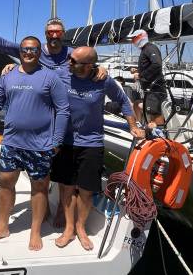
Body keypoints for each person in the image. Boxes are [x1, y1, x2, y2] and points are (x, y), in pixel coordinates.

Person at [0, 36, 69, 251]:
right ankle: (2, 227)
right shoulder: (8, 75)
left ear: (39, 52)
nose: (28, 52)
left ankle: (35, 231)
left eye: (33, 49)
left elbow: (63, 110)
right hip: (12, 142)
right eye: (25, 49)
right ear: (20, 51)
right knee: (6, 183)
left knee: (39, 188)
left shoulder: (51, 77)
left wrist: (57, 140)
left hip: (41, 145)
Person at [52, 46, 143, 250]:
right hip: (65, 141)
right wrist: (11, 67)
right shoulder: (61, 74)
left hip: (91, 142)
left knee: (86, 190)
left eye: (73, 60)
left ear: (88, 65)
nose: (69, 62)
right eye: (69, 58)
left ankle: (80, 227)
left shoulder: (103, 80)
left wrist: (133, 126)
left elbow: (123, 101)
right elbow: (36, 76)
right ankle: (69, 228)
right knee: (67, 187)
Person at [127, 29, 166, 126]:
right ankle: (140, 126)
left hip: (155, 89)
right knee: (137, 104)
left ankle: (160, 132)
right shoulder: (145, 49)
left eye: (133, 38)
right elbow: (149, 66)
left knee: (154, 113)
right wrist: (137, 70)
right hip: (150, 90)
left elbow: (157, 64)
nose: (132, 41)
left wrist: (140, 75)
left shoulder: (150, 48)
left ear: (140, 37)